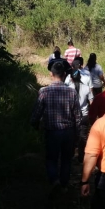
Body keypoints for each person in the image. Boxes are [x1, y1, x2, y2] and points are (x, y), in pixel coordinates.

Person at [30, 61, 81, 194]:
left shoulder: (44, 91)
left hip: (52, 131)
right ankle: (63, 184)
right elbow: (77, 116)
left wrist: (34, 123)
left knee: (51, 158)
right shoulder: (72, 92)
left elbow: (37, 112)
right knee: (66, 159)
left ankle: (54, 181)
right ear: (65, 74)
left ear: (51, 74)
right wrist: (77, 132)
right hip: (68, 132)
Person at [65, 59, 94, 163]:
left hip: (71, 116)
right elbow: (91, 102)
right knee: (83, 136)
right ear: (80, 77)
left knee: (72, 136)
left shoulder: (68, 90)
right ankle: (82, 156)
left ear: (71, 78)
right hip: (84, 115)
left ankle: (71, 155)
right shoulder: (86, 88)